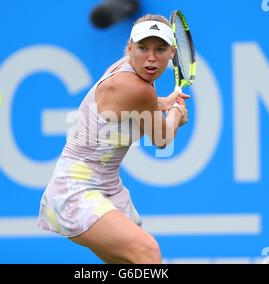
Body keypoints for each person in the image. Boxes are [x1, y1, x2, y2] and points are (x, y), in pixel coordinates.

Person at [37, 14, 190, 264]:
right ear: (129, 47)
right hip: (75, 191)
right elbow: (161, 138)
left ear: (172, 52)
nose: (151, 58)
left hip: (107, 188)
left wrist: (161, 103)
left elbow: (131, 108)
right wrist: (176, 114)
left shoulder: (132, 76)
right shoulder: (137, 88)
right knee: (147, 251)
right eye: (143, 48)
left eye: (160, 49)